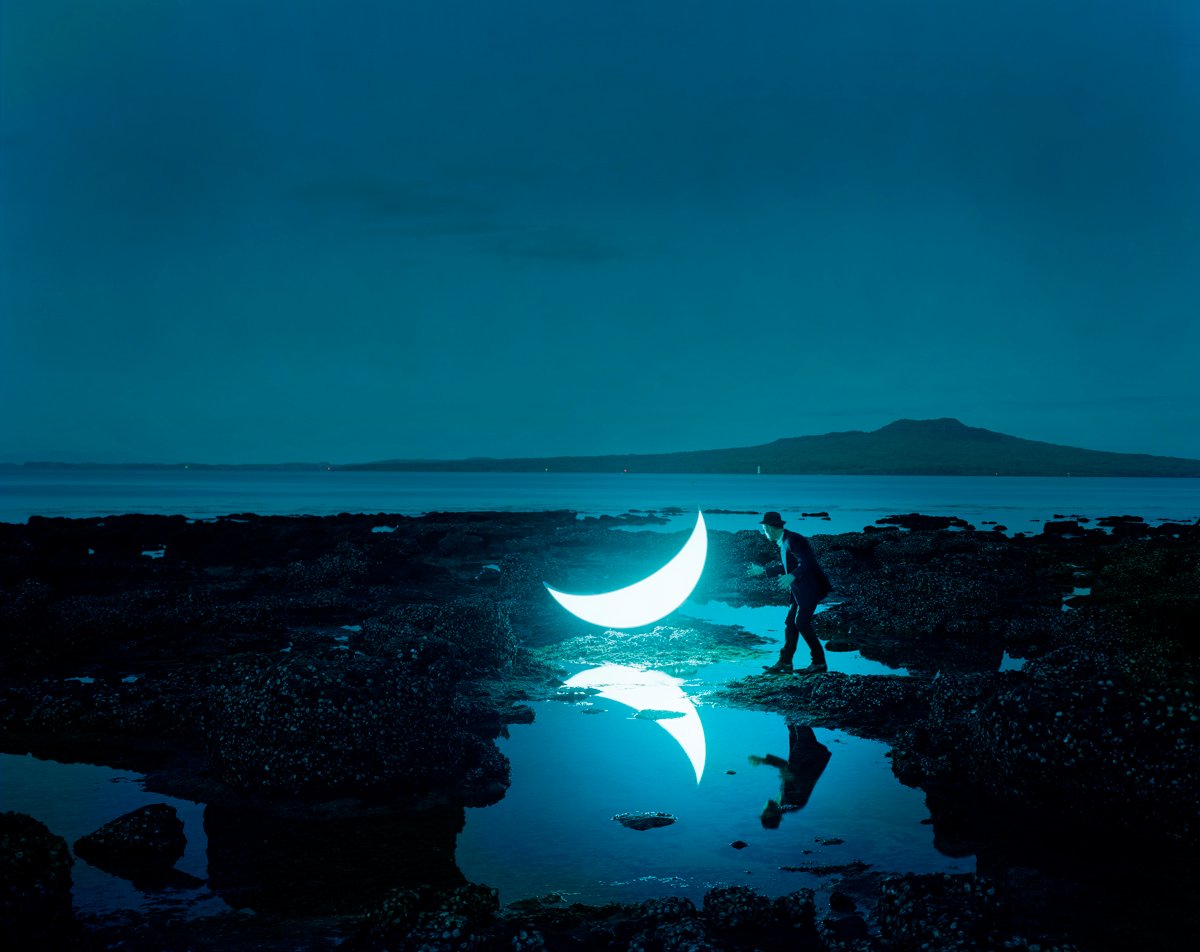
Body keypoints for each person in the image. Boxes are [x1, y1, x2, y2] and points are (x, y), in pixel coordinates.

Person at [747, 511, 832, 674]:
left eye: (764, 529)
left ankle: (819, 662)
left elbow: (808, 562)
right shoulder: (784, 540)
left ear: (770, 528)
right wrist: (764, 571)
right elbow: (788, 566)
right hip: (800, 591)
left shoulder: (793, 540)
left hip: (810, 589)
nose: (764, 533)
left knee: (801, 623)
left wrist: (793, 575)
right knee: (791, 623)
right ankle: (785, 662)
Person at [749, 725, 832, 828]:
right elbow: (785, 767)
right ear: (776, 814)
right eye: (768, 810)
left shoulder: (784, 803)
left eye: (765, 810)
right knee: (799, 722)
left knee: (793, 725)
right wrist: (763, 761)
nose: (766, 807)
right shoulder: (789, 800)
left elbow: (787, 769)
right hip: (808, 757)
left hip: (804, 757)